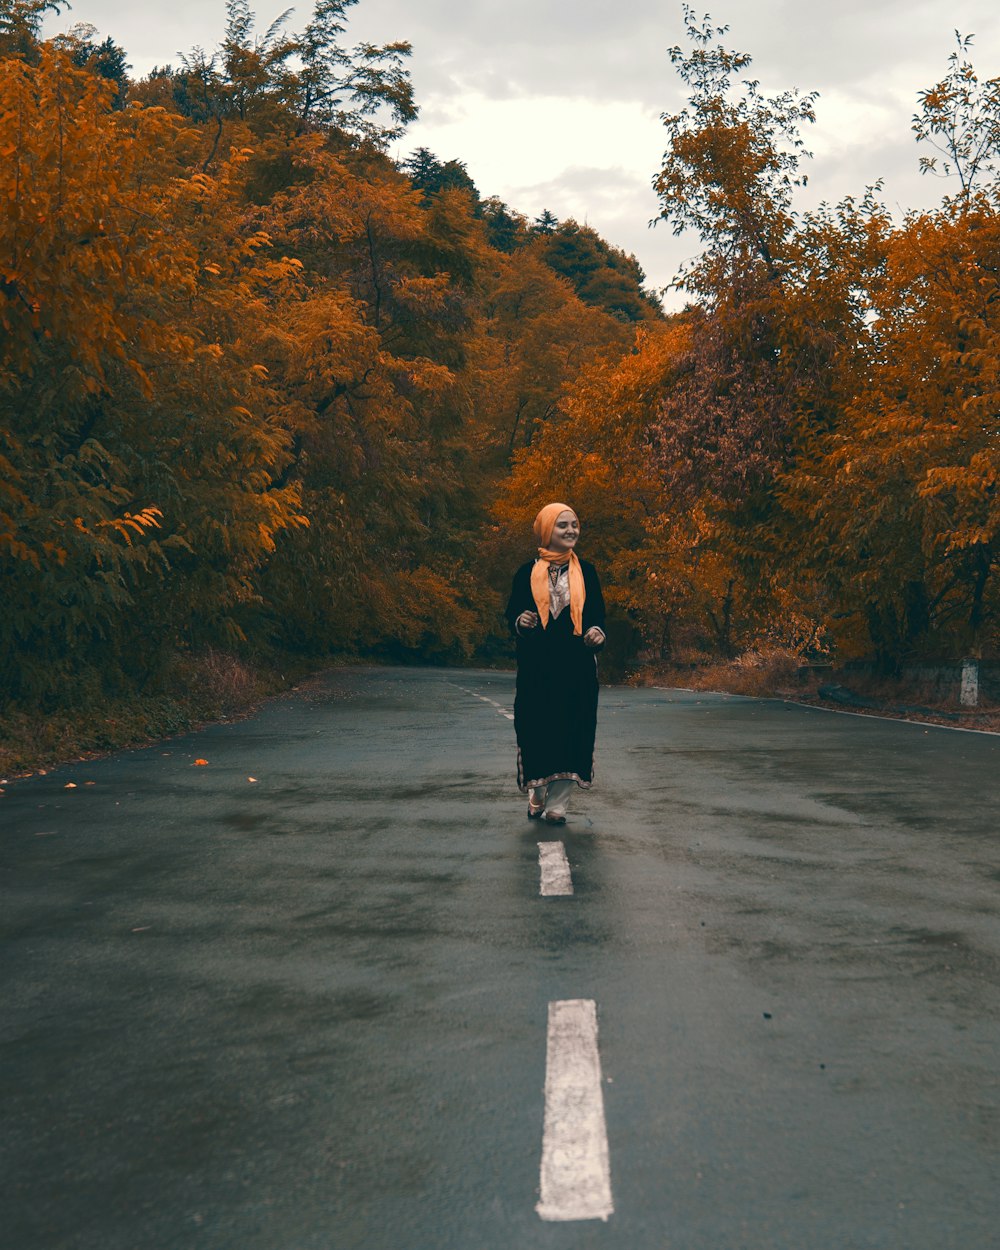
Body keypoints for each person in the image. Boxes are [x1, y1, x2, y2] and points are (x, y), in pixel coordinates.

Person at [505, 503, 606, 824]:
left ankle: (558, 805)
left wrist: (596, 631)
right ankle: (537, 792)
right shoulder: (526, 572)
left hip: (576, 669)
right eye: (563, 525)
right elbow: (512, 613)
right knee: (536, 730)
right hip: (537, 670)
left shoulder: (587, 572)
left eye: (575, 524)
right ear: (547, 531)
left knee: (573, 730)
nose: (571, 530)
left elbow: (598, 616)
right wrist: (520, 619)